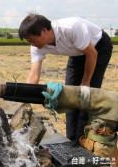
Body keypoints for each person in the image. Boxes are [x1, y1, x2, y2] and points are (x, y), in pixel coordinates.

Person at [18, 13, 113, 143]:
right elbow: (34, 75)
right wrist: (22, 103)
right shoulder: (36, 47)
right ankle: (71, 140)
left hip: (98, 48)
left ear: (44, 31)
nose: (32, 44)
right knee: (70, 97)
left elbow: (92, 53)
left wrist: (85, 83)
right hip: (77, 52)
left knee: (86, 96)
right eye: (29, 41)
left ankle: (82, 141)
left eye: (32, 40)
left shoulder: (71, 28)